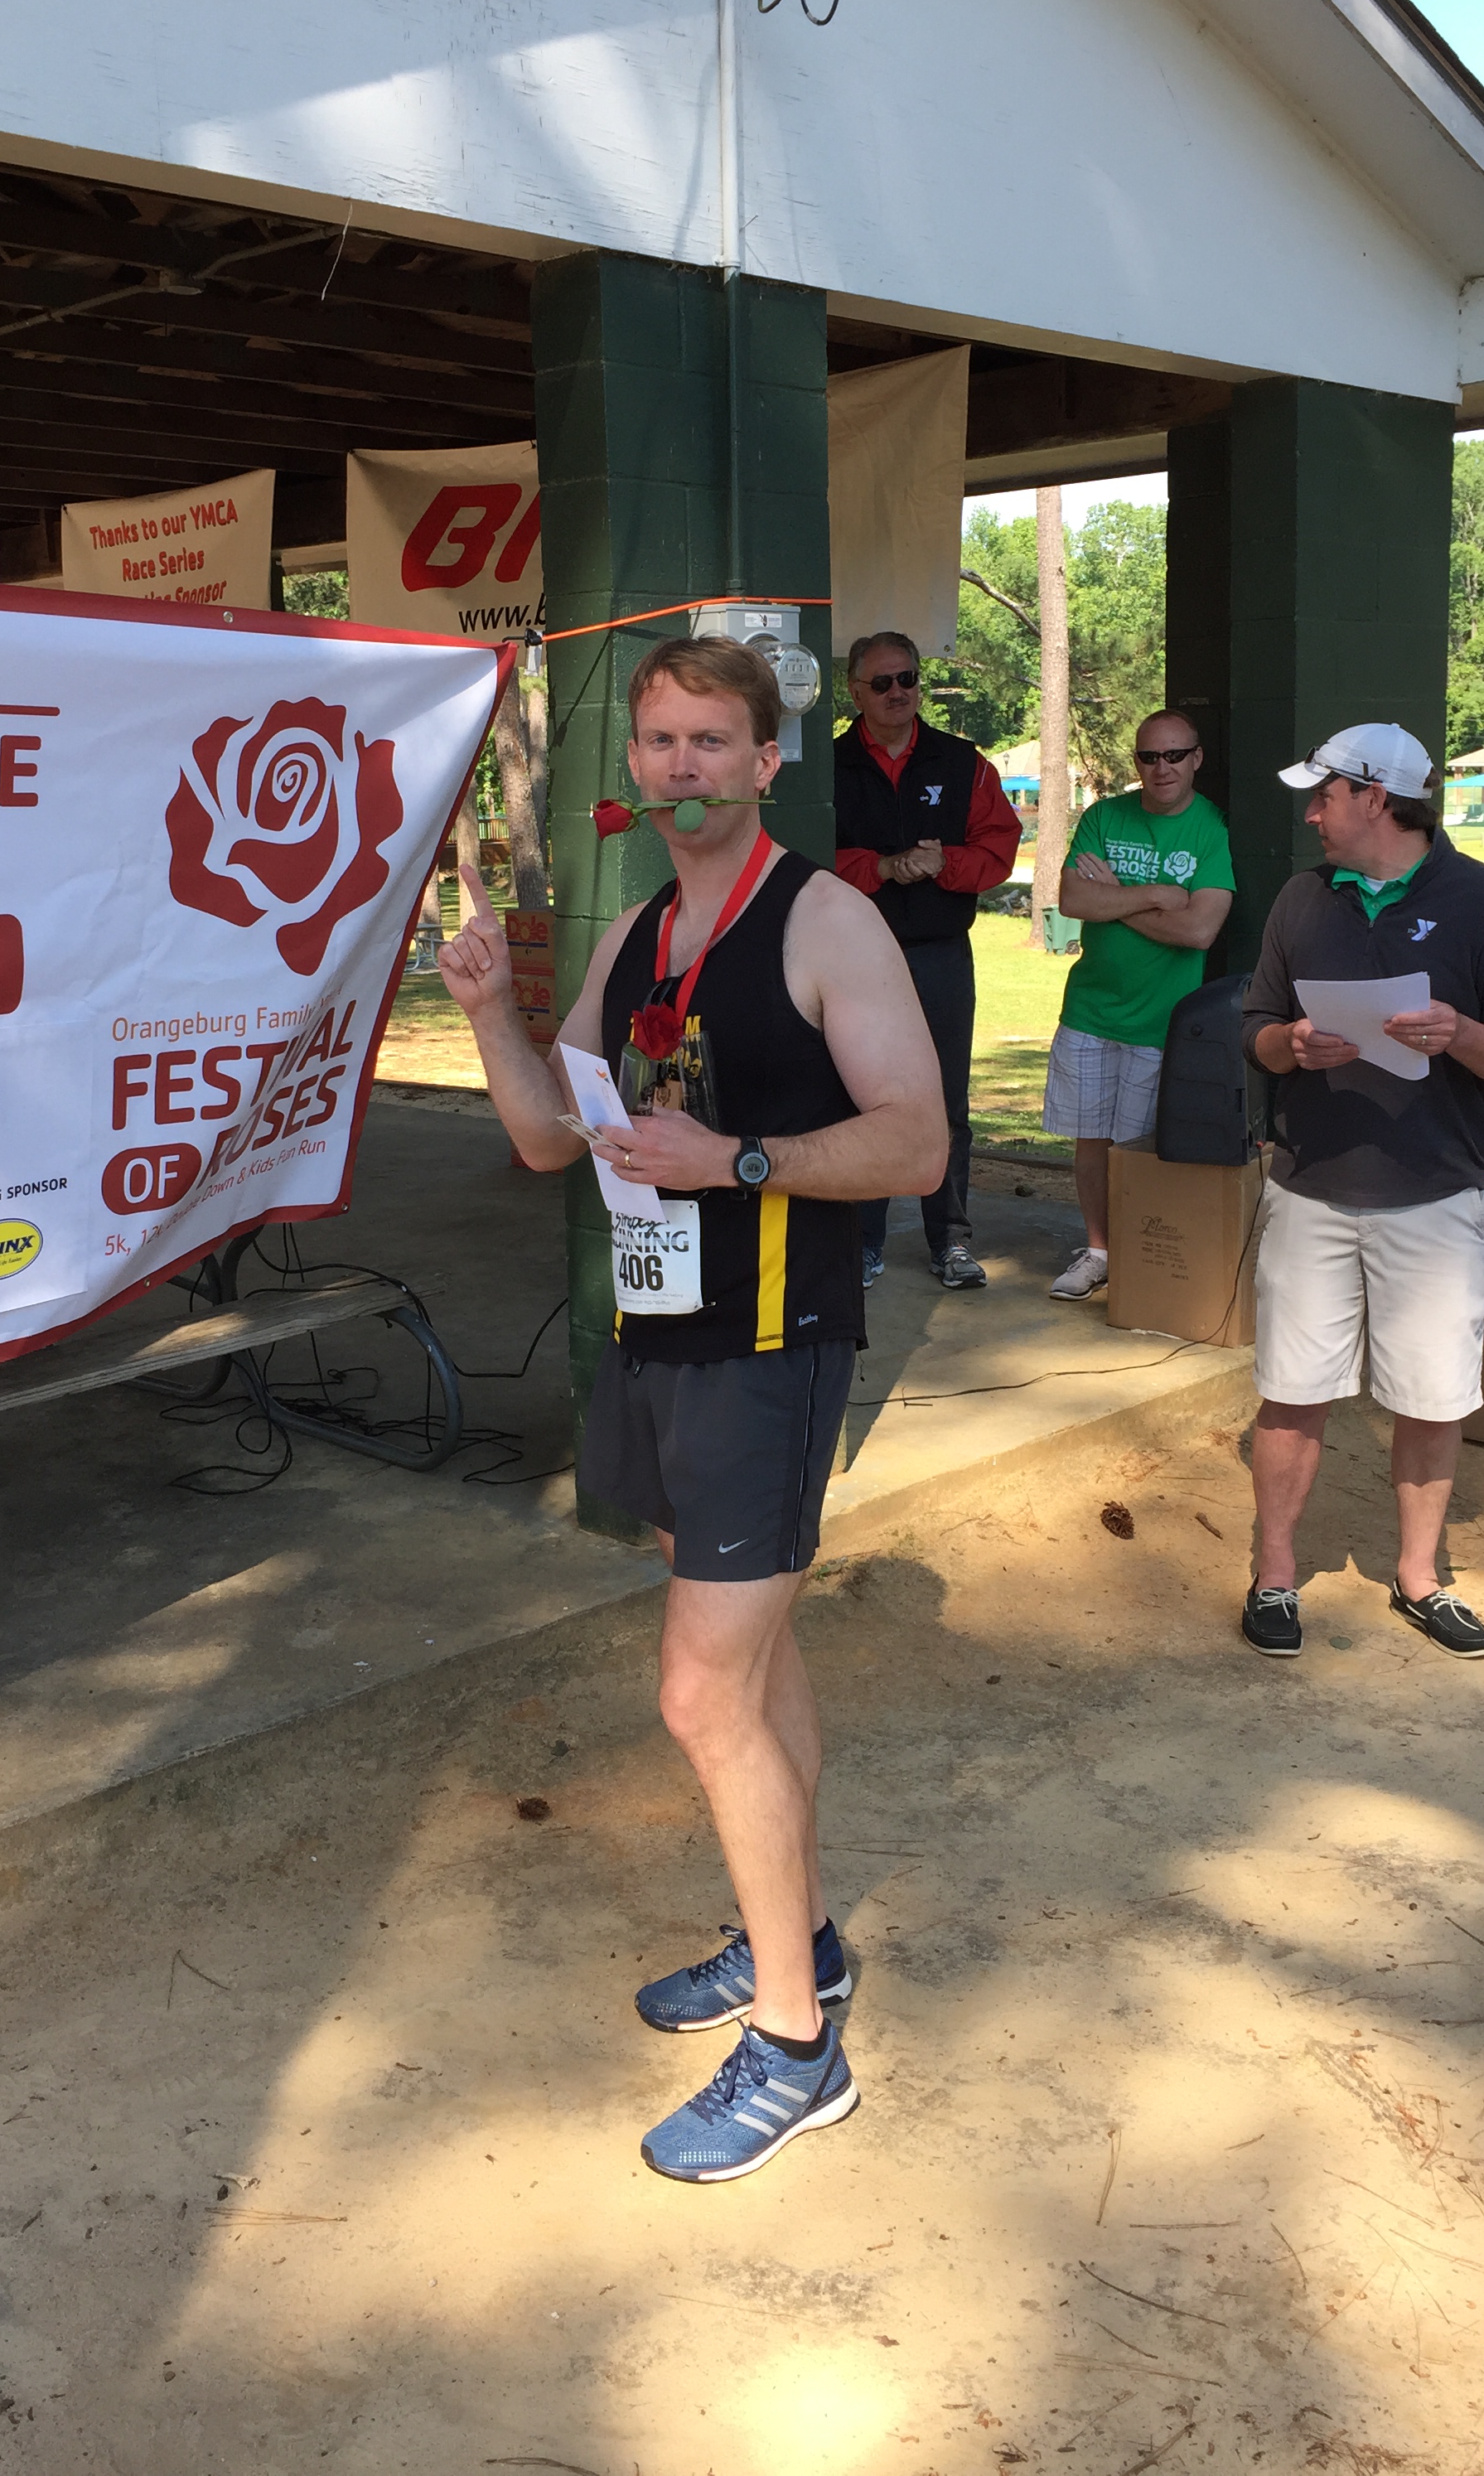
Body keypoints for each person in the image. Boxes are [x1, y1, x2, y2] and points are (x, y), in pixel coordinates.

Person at [436, 635, 946, 2179]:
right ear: (637, 765)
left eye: (711, 739)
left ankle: (795, 2046)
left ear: (765, 759)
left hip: (773, 1345)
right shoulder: (640, 932)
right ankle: (798, 1941)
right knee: (753, 1659)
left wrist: (735, 1160)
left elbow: (918, 1141)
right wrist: (486, 1008)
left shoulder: (827, 918)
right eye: (660, 740)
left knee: (699, 1696)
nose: (682, 765)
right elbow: (552, 1136)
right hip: (658, 1334)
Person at [1237, 722, 1484, 1661]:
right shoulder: (1301, 899)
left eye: (1325, 795)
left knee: (1431, 1398)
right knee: (1291, 1394)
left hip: (1435, 1197)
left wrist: (1460, 1034)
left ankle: (1419, 1579)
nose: (1312, 814)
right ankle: (1274, 1575)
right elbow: (1256, 1025)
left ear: (1375, 798)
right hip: (1309, 1191)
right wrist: (1289, 1045)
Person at [832, 630, 1021, 1289]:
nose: (897, 693)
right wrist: (880, 868)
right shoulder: (827, 767)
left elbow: (999, 849)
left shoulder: (963, 763)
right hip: (855, 958)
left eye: (907, 679)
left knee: (946, 1103)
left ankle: (951, 1240)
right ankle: (862, 1243)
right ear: (855, 691)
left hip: (940, 955)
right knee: (860, 1098)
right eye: (881, 682)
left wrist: (946, 864)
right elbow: (806, 858)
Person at [1042, 710, 1235, 1300]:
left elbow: (1199, 930)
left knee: (1140, 1150)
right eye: (1149, 757)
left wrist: (1115, 898)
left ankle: (1139, 1262)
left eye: (1174, 755)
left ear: (1196, 758)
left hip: (1161, 1021)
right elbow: (1072, 899)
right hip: (1090, 1011)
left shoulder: (1210, 828)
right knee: (1091, 1141)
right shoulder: (1104, 816)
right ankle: (1099, 1252)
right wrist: (1153, 895)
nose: (1162, 768)